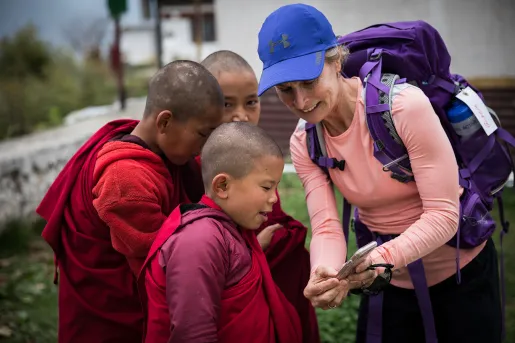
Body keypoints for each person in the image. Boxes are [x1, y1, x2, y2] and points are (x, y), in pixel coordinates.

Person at [256, 3, 502, 343]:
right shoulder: (305, 140)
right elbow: (326, 225)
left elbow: (444, 214)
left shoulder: (404, 107)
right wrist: (324, 273)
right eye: (286, 90)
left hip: (462, 278)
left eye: (309, 81)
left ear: (337, 60)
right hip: (389, 284)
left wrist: (380, 259)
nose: (301, 101)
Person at [36, 60, 224, 343]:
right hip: (109, 321)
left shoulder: (162, 151)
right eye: (202, 134)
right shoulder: (125, 178)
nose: (205, 146)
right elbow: (163, 263)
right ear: (164, 122)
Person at [141, 122, 303, 343]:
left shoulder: (230, 229)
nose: (274, 198)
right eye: (266, 187)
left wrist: (253, 249)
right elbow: (194, 335)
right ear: (223, 186)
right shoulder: (197, 241)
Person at [200, 50, 320, 343]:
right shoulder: (196, 167)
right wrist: (251, 247)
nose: (241, 115)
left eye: (251, 102)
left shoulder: (256, 156)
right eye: (227, 104)